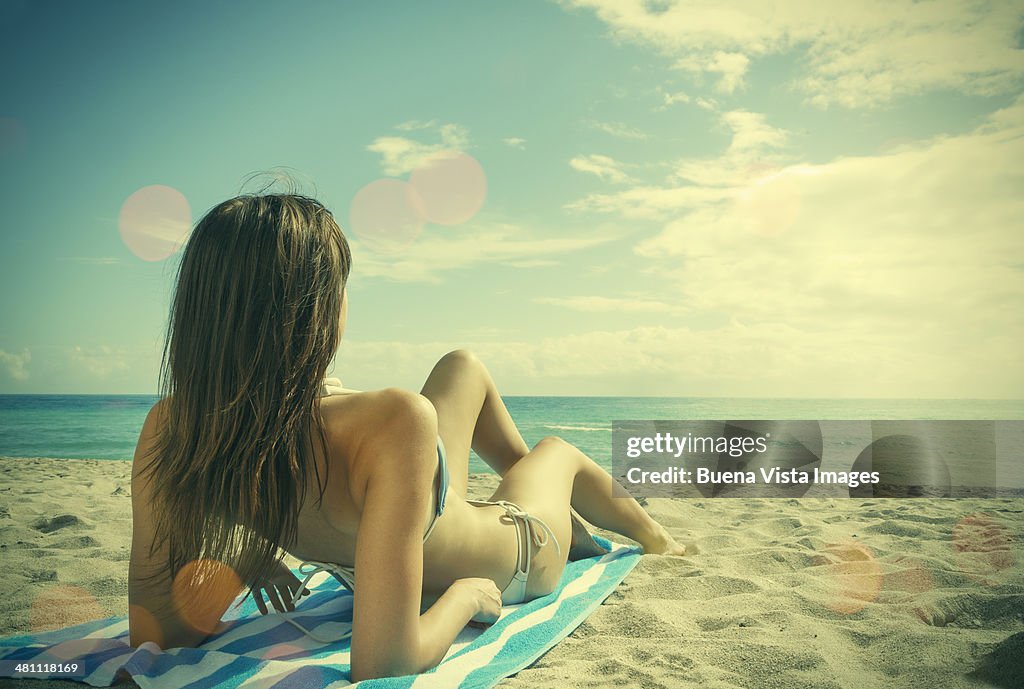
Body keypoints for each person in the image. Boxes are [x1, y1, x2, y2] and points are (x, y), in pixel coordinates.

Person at [127, 192, 686, 682]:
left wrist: (247, 556)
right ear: (316, 310)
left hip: (437, 522)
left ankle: (576, 528)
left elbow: (159, 633)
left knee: (461, 367)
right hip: (518, 556)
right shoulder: (394, 418)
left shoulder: (176, 431)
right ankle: (649, 535)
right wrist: (465, 596)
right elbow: (384, 665)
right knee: (554, 453)